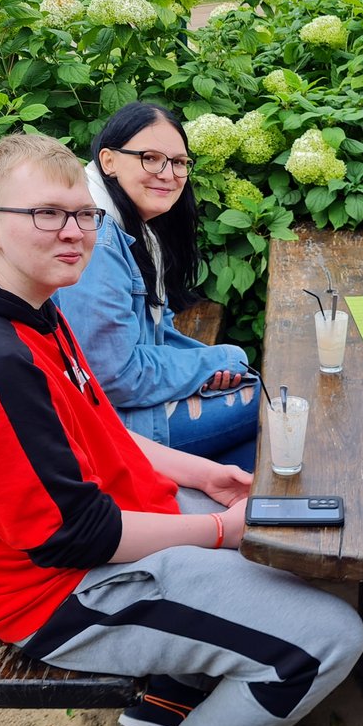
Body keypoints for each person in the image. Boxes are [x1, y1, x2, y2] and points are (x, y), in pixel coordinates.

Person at [0, 133, 363, 726]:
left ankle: (173, 690)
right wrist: (213, 530)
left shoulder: (30, 306)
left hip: (114, 521)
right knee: (331, 635)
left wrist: (199, 473)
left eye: (83, 214)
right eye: (45, 214)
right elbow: (75, 534)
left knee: (291, 542)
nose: (72, 232)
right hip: (57, 591)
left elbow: (95, 424)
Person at [55, 102, 258, 470]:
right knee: (270, 407)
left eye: (179, 162)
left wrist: (210, 365)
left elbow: (157, 335)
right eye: (150, 158)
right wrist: (212, 361)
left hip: (123, 409)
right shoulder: (97, 242)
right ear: (109, 160)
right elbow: (112, 375)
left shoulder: (132, 228)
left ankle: (208, 506)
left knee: (256, 419)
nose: (168, 173)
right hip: (104, 428)